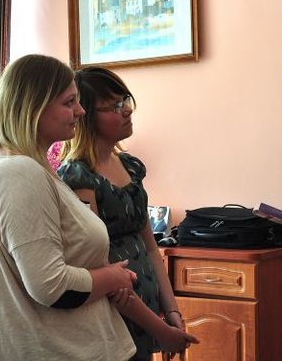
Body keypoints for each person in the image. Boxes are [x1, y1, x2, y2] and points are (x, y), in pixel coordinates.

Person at [0, 54, 138, 360]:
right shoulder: (19, 173)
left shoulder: (30, 169)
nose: (80, 111)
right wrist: (113, 278)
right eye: (69, 102)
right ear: (33, 107)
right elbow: (52, 286)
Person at [58, 67, 198, 361]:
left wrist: (171, 311)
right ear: (86, 116)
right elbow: (102, 270)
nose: (127, 111)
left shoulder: (130, 166)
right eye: (114, 106)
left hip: (147, 314)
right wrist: (160, 329)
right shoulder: (78, 176)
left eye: (125, 101)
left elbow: (150, 246)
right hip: (113, 318)